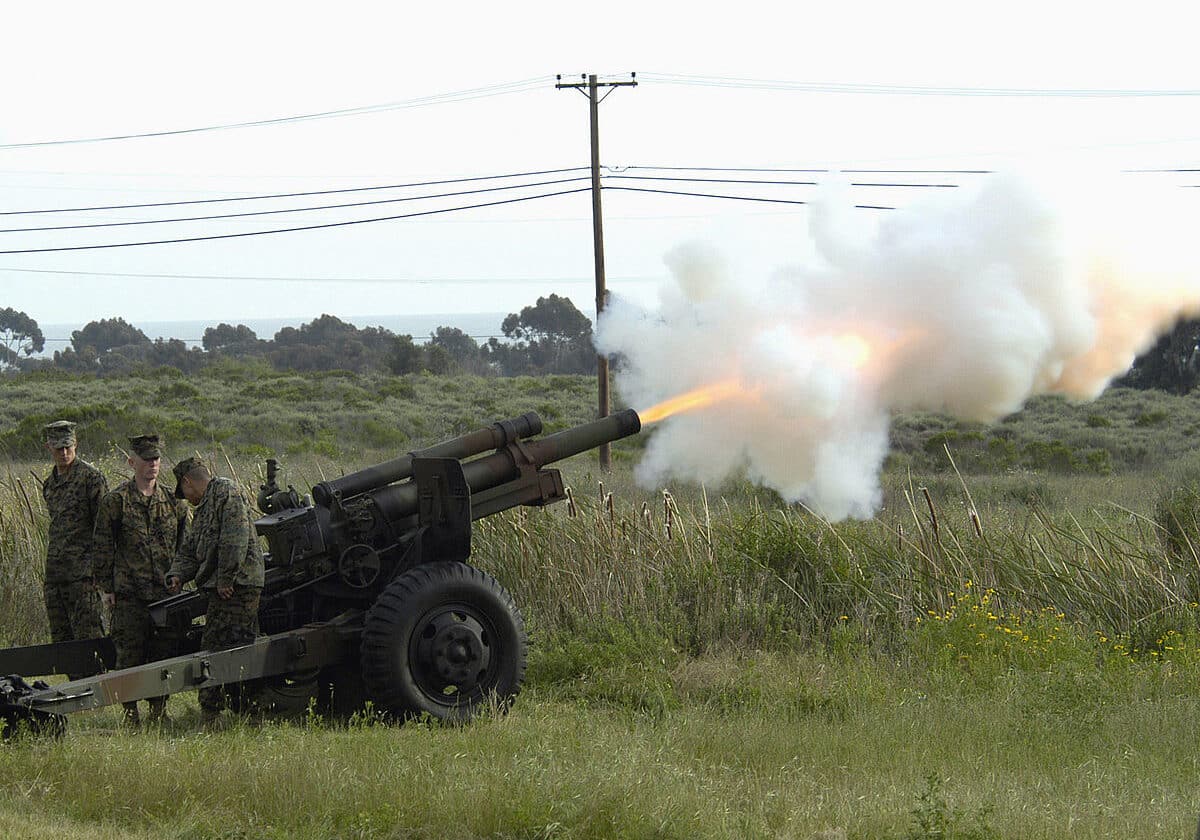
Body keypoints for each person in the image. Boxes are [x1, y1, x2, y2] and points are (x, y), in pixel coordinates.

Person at [93, 434, 189, 726]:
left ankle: (159, 711)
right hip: (129, 594)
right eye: (146, 460)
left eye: (156, 459)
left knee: (163, 654)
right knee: (129, 654)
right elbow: (102, 545)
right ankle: (130, 714)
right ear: (132, 462)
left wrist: (181, 575)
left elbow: (185, 545)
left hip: (165, 593)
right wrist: (106, 588)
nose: (152, 464)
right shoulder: (116, 501)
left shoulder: (174, 501)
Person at [166, 456, 265, 725]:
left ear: (187, 482)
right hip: (225, 587)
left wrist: (225, 579)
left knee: (219, 648)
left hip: (238, 587)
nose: (186, 499)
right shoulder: (204, 510)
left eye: (183, 491)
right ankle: (246, 711)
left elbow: (235, 538)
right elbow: (191, 549)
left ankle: (216, 713)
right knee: (233, 646)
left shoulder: (225, 492)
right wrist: (177, 574)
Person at [40, 421, 108, 673]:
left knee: (89, 639)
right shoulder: (50, 484)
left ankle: (96, 685)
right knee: (62, 642)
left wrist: (100, 572)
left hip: (84, 575)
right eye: (58, 448)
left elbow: (104, 528)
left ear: (76, 444)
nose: (64, 452)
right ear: (49, 448)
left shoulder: (91, 478)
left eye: (68, 446)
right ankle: (73, 689)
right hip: (56, 574)